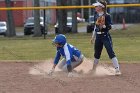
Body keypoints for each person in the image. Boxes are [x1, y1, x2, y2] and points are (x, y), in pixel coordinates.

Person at [90, 0, 121, 75]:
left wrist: (104, 26)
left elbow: (111, 26)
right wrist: (93, 36)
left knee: (110, 52)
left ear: (101, 7)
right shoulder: (96, 15)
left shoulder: (107, 16)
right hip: (98, 36)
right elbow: (95, 26)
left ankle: (117, 70)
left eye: (97, 6)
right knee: (97, 53)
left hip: (105, 36)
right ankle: (93, 69)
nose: (95, 7)